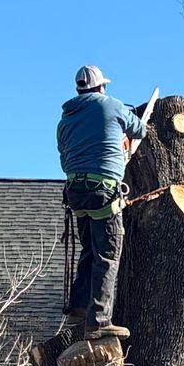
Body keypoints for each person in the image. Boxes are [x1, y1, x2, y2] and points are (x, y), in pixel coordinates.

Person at [56, 64, 148, 341]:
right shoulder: (113, 106)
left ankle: (77, 308)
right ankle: (99, 321)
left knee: (90, 249)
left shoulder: (65, 120)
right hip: (103, 190)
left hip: (76, 191)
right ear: (102, 86)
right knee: (107, 254)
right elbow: (140, 130)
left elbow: (63, 157)